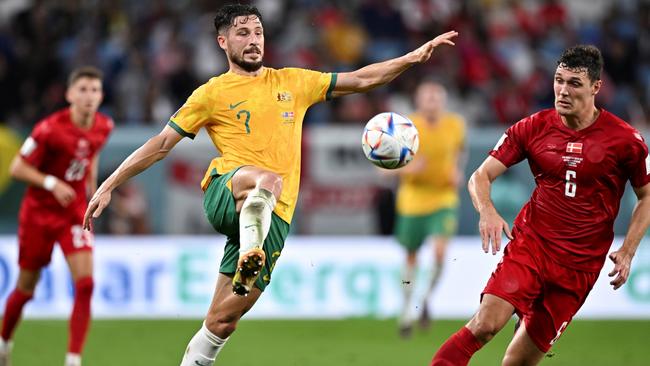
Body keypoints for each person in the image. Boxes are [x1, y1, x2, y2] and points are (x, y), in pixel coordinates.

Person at [82, 4, 457, 366]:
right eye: (243, 33)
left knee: (221, 322)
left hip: (275, 216)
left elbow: (360, 79)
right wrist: (110, 183)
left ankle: (202, 344)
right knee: (266, 179)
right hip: (227, 192)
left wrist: (409, 58)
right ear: (223, 42)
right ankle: (250, 248)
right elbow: (161, 144)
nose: (254, 40)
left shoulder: (293, 82)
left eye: (258, 32)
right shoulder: (211, 93)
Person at [431, 45, 650, 366]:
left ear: (596, 87)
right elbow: (480, 176)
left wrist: (629, 250)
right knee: (485, 325)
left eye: (574, 83)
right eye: (558, 80)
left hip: (579, 268)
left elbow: (646, 196)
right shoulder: (532, 127)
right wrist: (487, 210)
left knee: (517, 362)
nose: (562, 90)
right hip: (532, 247)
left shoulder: (626, 140)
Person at [0, 66, 113, 366]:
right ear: (69, 95)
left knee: (86, 284)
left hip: (73, 213)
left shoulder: (104, 126)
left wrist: (96, 192)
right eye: (83, 90)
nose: (89, 96)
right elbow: (17, 168)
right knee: (26, 288)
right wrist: (51, 182)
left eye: (94, 90)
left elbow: (91, 158)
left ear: (101, 95)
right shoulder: (48, 129)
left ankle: (73, 360)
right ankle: (3, 342)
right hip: (38, 214)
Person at [394, 81, 465, 337]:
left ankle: (424, 298)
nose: (432, 102)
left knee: (439, 253)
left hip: (443, 198)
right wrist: (408, 169)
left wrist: (457, 170)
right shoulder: (405, 127)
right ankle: (407, 309)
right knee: (411, 258)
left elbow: (460, 152)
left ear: (443, 101)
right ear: (419, 101)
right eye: (428, 97)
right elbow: (382, 166)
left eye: (437, 97)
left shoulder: (456, 125)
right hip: (412, 200)